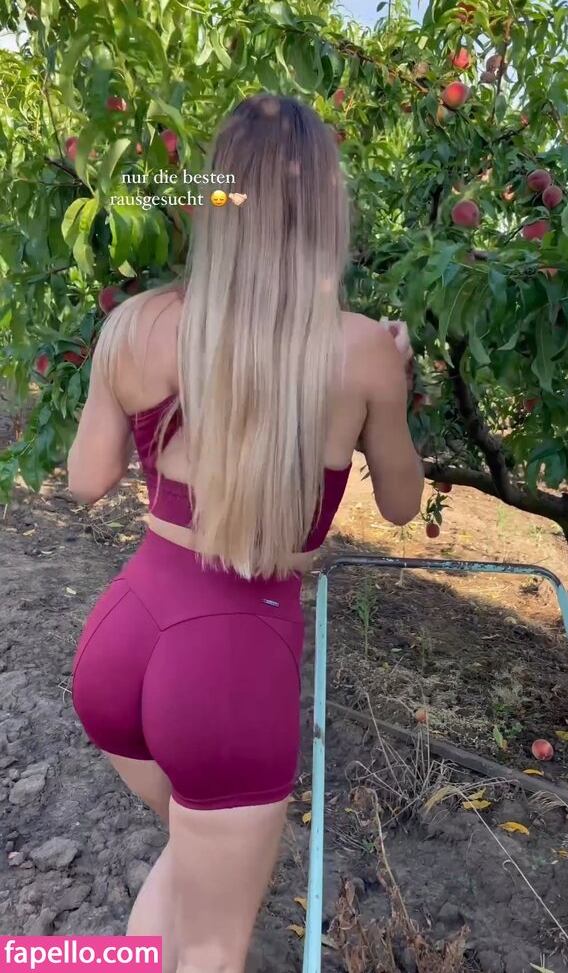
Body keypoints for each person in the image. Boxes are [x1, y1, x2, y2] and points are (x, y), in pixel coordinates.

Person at [68, 94, 424, 973]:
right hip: (227, 668)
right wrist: (396, 379)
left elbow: (84, 481)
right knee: (215, 945)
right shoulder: (362, 350)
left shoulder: (134, 324)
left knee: (190, 872)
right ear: (325, 208)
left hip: (122, 641)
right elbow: (400, 503)